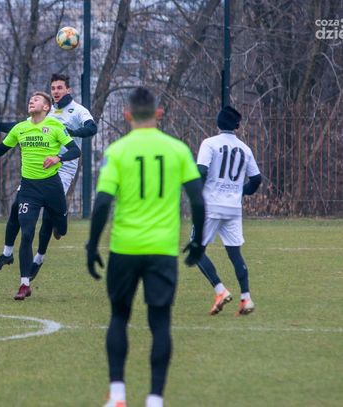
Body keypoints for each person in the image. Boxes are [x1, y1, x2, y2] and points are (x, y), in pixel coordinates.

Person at [86, 87, 205, 407]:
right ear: (159, 114)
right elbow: (197, 200)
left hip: (125, 248)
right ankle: (154, 399)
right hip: (162, 250)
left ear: (127, 115)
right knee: (160, 323)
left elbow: (102, 204)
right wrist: (198, 241)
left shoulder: (117, 151)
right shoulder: (177, 149)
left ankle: (118, 395)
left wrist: (91, 246)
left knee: (119, 317)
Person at [0, 73, 97, 280]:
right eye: (53, 88)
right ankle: (7, 254)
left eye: (60, 88)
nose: (56, 91)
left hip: (64, 168)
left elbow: (92, 128)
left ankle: (39, 258)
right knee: (16, 206)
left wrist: (72, 132)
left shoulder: (78, 110)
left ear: (68, 90)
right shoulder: (46, 111)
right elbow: (18, 127)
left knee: (48, 217)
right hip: (38, 169)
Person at [0, 91, 80, 300]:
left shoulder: (56, 126)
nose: (31, 101)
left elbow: (75, 151)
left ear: (46, 107)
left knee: (62, 230)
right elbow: (1, 149)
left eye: (36, 100)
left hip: (52, 188)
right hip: (29, 190)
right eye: (30, 99)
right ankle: (24, 284)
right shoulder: (20, 128)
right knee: (27, 233)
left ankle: (51, 236)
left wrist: (58, 158)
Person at [193, 106, 262, 316]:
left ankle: (220, 290)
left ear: (218, 123)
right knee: (234, 253)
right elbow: (256, 179)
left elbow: (201, 172)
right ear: (237, 126)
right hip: (233, 208)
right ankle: (246, 298)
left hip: (211, 205)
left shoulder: (209, 143)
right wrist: (242, 191)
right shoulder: (245, 149)